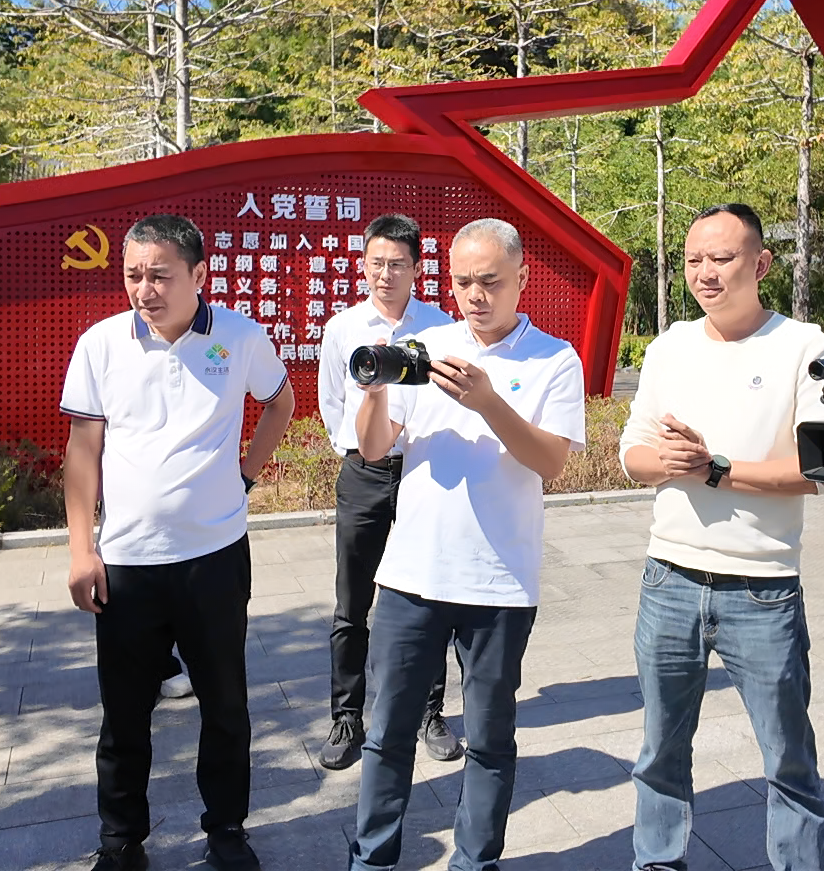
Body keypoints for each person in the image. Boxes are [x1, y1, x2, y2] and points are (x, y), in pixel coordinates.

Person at [348, 218, 586, 871]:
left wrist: (487, 402)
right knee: (387, 735)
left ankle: (475, 862)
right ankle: (371, 860)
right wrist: (373, 394)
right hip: (410, 576)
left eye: (490, 281)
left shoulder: (554, 359)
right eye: (461, 282)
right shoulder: (424, 348)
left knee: (488, 740)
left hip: (499, 582)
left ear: (522, 278)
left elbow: (551, 462)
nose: (475, 295)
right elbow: (374, 447)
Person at [60, 214, 295, 871]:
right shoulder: (101, 344)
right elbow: (82, 453)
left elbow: (280, 402)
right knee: (124, 715)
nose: (145, 289)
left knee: (225, 706)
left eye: (160, 275)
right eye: (133, 275)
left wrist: (245, 475)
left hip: (214, 558)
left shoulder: (240, 337)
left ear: (199, 275)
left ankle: (226, 830)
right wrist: (81, 550)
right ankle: (121, 842)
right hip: (127, 563)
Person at [618, 203, 824, 870]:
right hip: (669, 579)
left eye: (722, 258)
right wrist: (676, 462)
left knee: (787, 754)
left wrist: (713, 468)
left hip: (762, 588)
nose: (705, 273)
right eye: (693, 260)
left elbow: (821, 469)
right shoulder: (670, 346)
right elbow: (632, 454)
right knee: (660, 747)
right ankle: (658, 860)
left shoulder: (804, 347)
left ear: (761, 264)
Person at [315, 213, 459, 771]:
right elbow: (332, 399)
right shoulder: (343, 327)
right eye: (376, 263)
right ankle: (346, 716)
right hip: (364, 473)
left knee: (430, 593)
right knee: (352, 602)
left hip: (424, 470)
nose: (385, 274)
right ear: (364, 265)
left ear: (417, 268)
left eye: (397, 264)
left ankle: (429, 711)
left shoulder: (441, 328)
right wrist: (353, 449)